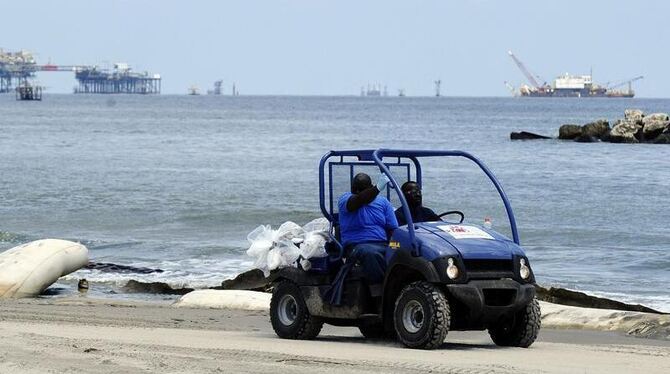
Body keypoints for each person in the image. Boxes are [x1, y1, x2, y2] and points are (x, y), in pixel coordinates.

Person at [337, 172, 398, 285]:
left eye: (363, 189)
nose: (359, 193)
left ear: (370, 188)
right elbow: (359, 199)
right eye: (356, 190)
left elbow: (393, 229)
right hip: (356, 245)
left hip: (383, 243)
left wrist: (395, 244)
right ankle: (380, 289)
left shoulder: (383, 202)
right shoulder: (345, 200)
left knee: (404, 249)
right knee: (370, 253)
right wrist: (377, 188)